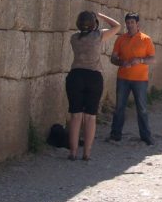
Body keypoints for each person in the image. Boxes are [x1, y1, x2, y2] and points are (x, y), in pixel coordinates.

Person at [66, 10, 121, 161]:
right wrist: (102, 16)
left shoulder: (74, 38)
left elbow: (83, 33)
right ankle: (87, 153)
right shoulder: (98, 36)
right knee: (90, 117)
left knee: (75, 115)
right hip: (93, 76)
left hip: (75, 75)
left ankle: (73, 151)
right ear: (94, 24)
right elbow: (117, 26)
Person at [109, 13, 156, 145]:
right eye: (128, 22)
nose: (129, 25)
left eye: (132, 22)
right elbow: (113, 58)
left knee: (142, 108)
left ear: (137, 24)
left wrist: (140, 60)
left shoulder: (146, 39)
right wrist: (121, 62)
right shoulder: (120, 39)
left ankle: (146, 136)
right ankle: (115, 135)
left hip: (140, 79)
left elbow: (152, 59)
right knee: (119, 107)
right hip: (123, 78)